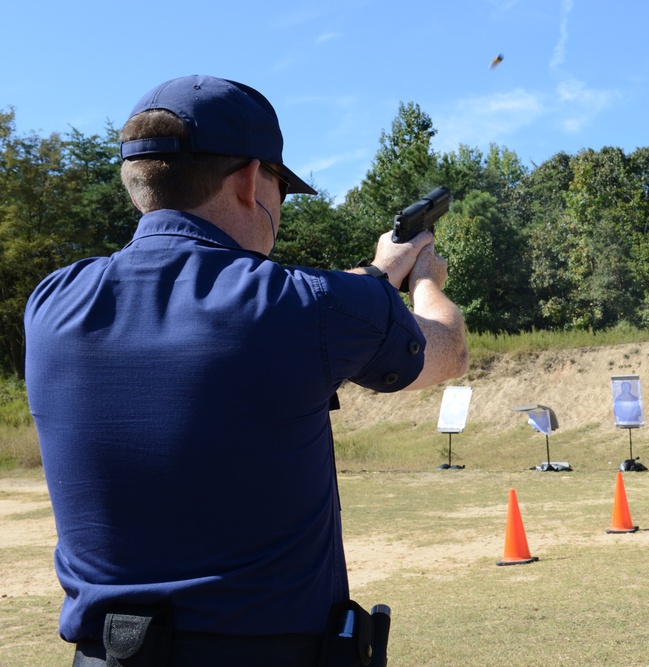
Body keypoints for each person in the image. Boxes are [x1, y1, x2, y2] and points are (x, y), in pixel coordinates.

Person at [23, 75, 468, 666]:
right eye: (280, 188)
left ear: (140, 184)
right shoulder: (308, 308)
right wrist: (425, 279)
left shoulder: (53, 302)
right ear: (251, 179)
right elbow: (447, 351)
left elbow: (272, 312)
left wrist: (375, 272)